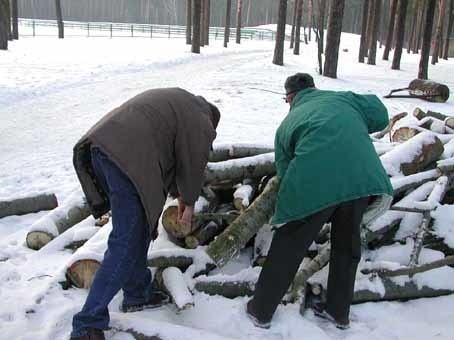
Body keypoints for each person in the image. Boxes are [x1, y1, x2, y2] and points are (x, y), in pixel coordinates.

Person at [70, 88, 220, 340]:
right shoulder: (200, 118)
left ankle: (137, 292)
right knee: (125, 240)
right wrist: (189, 201)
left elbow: (173, 161)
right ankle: (87, 322)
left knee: (136, 229)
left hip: (103, 149)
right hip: (126, 158)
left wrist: (180, 194)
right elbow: (193, 162)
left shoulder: (178, 104)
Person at [246, 73, 393, 330]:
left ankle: (260, 311)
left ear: (290, 97)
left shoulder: (288, 124)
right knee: (346, 248)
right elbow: (380, 114)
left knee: (288, 246)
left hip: (314, 183)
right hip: (361, 179)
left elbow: (284, 170)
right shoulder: (344, 99)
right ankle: (338, 313)